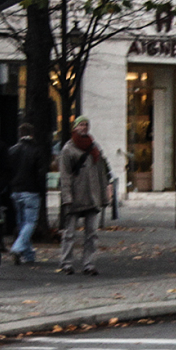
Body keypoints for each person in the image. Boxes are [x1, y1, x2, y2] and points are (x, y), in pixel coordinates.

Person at [57, 116, 112, 275]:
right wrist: (67, 198)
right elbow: (65, 175)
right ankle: (66, 263)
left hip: (92, 196)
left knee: (92, 234)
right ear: (75, 127)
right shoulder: (68, 149)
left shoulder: (94, 147)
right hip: (75, 196)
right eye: (81, 124)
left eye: (86, 125)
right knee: (69, 234)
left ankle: (89, 264)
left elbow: (101, 173)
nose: (84, 127)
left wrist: (104, 195)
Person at [6, 123, 45, 265]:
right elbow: (40, 174)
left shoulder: (12, 150)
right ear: (32, 134)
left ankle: (28, 255)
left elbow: (8, 171)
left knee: (22, 222)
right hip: (31, 190)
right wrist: (41, 190)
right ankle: (18, 247)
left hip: (16, 190)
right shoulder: (36, 151)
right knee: (30, 223)